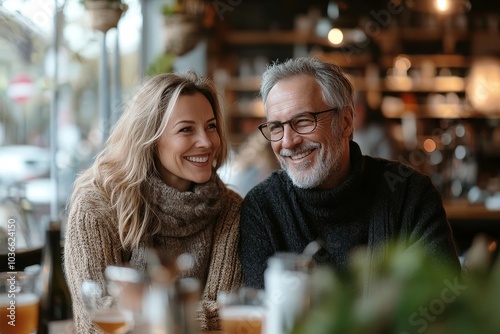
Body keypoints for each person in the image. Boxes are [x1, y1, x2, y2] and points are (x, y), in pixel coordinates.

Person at [240, 57, 461, 290]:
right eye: (276, 127)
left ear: (345, 122)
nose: (288, 142)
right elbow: (264, 317)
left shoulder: (410, 194)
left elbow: (443, 308)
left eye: (303, 121)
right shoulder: (262, 207)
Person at [64, 71, 242, 332]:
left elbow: (229, 319)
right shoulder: (97, 204)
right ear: (150, 138)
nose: (206, 142)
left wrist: (140, 311)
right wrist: (185, 315)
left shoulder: (230, 209)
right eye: (186, 129)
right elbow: (97, 323)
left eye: (211, 126)